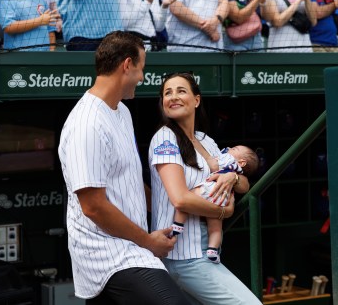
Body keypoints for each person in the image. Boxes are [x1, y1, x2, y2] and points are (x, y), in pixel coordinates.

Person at [58, 31, 190, 304]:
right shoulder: (87, 123)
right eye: (142, 68)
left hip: (131, 247)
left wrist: (176, 208)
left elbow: (128, 181)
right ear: (127, 65)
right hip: (107, 255)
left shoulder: (122, 111)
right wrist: (148, 241)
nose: (142, 77)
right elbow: (93, 206)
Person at [149, 72, 261, 304]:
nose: (173, 97)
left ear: (196, 100)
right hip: (184, 257)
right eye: (167, 93)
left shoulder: (206, 140)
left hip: (205, 254)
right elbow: (180, 200)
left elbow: (244, 183)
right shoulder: (165, 139)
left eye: (181, 91)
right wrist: (223, 212)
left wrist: (232, 177)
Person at [171, 145, 259, 265]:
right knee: (215, 229)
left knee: (186, 198)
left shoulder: (228, 159)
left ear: (242, 162)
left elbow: (215, 165)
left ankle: (177, 225)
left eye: (235, 149)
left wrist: (217, 158)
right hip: (222, 197)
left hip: (210, 189)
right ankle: (213, 250)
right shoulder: (236, 168)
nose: (230, 149)